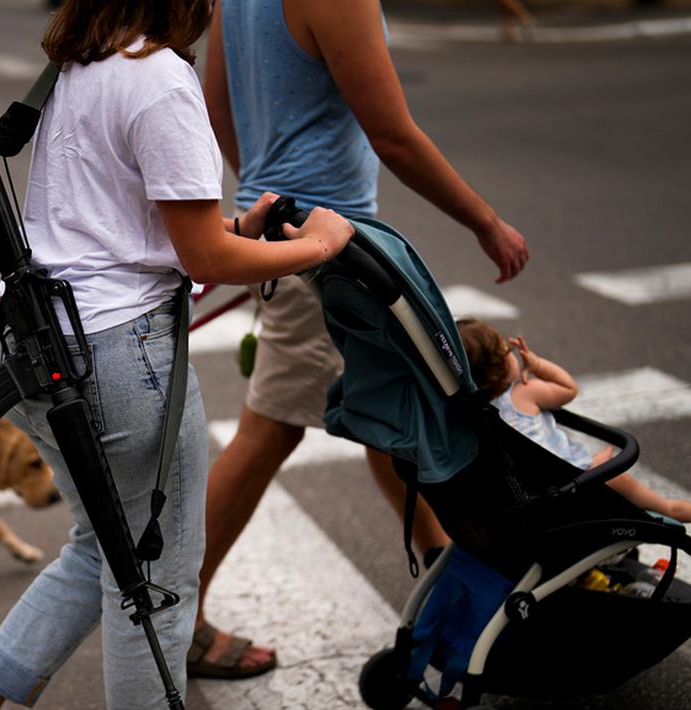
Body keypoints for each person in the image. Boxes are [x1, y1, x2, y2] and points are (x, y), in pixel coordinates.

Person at [0, 2, 354, 708]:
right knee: (153, 585)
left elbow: (116, 223)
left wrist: (236, 228)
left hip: (36, 341)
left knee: (104, 549)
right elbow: (201, 255)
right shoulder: (158, 77)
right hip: (116, 355)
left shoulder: (80, 65)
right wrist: (318, 245)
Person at [192, 0, 533, 679]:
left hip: (287, 228)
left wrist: (266, 185)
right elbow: (393, 136)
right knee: (271, 428)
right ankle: (177, 616)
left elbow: (217, 108)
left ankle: (446, 565)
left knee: (386, 400)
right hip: (324, 248)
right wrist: (486, 222)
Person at [457, 318, 691, 523]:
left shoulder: (475, 414)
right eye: (508, 351)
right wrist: (536, 365)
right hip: (566, 484)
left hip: (527, 490)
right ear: (500, 364)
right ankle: (666, 506)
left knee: (595, 466)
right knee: (614, 476)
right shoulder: (523, 393)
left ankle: (593, 467)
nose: (514, 355)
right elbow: (568, 389)